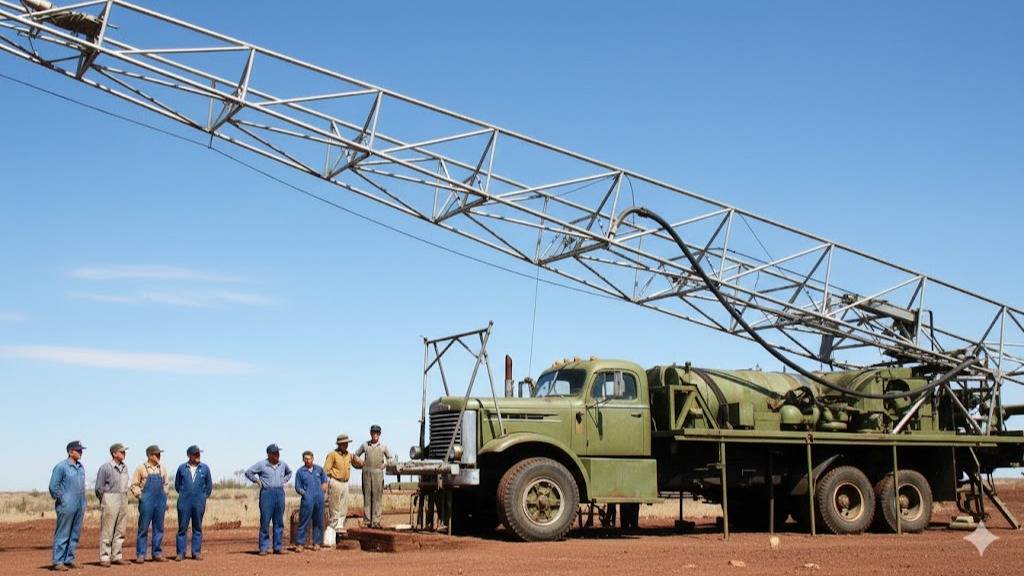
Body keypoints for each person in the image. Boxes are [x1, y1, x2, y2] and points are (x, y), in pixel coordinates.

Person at [245, 444, 293, 555]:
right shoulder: (262, 464)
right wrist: (257, 481)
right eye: (275, 453)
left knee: (279, 521)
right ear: (269, 454)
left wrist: (284, 480)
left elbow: (289, 473)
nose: (277, 454)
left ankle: (278, 547)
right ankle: (264, 548)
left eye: (278, 452)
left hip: (279, 492)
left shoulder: (282, 464)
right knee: (265, 521)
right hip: (267, 493)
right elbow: (249, 472)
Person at [48, 440, 86, 571]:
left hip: (80, 503)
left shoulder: (81, 467)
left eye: (81, 450)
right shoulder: (61, 467)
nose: (81, 452)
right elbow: (53, 486)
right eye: (78, 450)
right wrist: (63, 499)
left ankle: (69, 559)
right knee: (63, 533)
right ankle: (58, 561)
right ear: (70, 452)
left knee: (75, 533)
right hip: (66, 504)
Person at [131, 445, 170, 563]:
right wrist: (140, 496)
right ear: (149, 456)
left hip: (160, 500)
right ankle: (141, 554)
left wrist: (164, 495)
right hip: (146, 501)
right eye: (156, 454)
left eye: (159, 453)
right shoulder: (141, 468)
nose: (159, 456)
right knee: (143, 528)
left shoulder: (162, 468)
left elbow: (166, 484)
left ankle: (157, 553)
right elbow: (134, 485)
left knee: (159, 527)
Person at [174, 445, 213, 561]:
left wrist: (203, 497)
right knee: (182, 527)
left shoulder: (205, 468)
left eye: (199, 453)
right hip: (184, 501)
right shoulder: (182, 468)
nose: (198, 456)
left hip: (199, 502)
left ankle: (196, 552)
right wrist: (184, 494)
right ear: (189, 455)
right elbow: (177, 485)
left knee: (197, 527)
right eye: (195, 454)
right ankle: (181, 553)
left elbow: (209, 485)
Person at [95, 443, 130, 567]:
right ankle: (105, 557)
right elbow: (98, 488)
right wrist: (105, 499)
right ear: (114, 453)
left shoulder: (125, 467)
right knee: (108, 529)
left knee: (121, 529)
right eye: (121, 452)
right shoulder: (106, 467)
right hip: (110, 497)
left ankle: (117, 556)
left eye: (124, 451)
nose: (124, 454)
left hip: (123, 497)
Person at [355, 425, 393, 529]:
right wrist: (360, 462)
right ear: (370, 433)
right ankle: (367, 521)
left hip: (378, 473)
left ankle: (376, 521)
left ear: (379, 434)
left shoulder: (383, 446)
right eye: (373, 433)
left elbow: (390, 458)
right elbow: (356, 455)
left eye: (377, 433)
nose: (375, 435)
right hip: (366, 472)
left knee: (377, 497)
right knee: (367, 496)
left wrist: (385, 464)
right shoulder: (365, 445)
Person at [323, 433, 361, 537]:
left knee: (343, 506)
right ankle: (332, 528)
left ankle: (340, 527)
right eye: (344, 443)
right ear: (339, 444)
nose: (346, 445)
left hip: (345, 483)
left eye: (347, 443)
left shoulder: (349, 455)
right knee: (334, 506)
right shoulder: (332, 454)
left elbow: (357, 465)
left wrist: (361, 462)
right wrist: (326, 482)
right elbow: (325, 470)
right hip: (335, 481)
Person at [294, 450, 328, 551]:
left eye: (309, 459)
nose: (308, 461)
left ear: (313, 459)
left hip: (319, 498)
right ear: (303, 460)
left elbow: (324, 480)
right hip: (307, 500)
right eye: (306, 459)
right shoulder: (300, 472)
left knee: (318, 521)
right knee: (304, 521)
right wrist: (304, 494)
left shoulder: (319, 470)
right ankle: (300, 544)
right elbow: (297, 486)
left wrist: (323, 489)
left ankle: (317, 543)